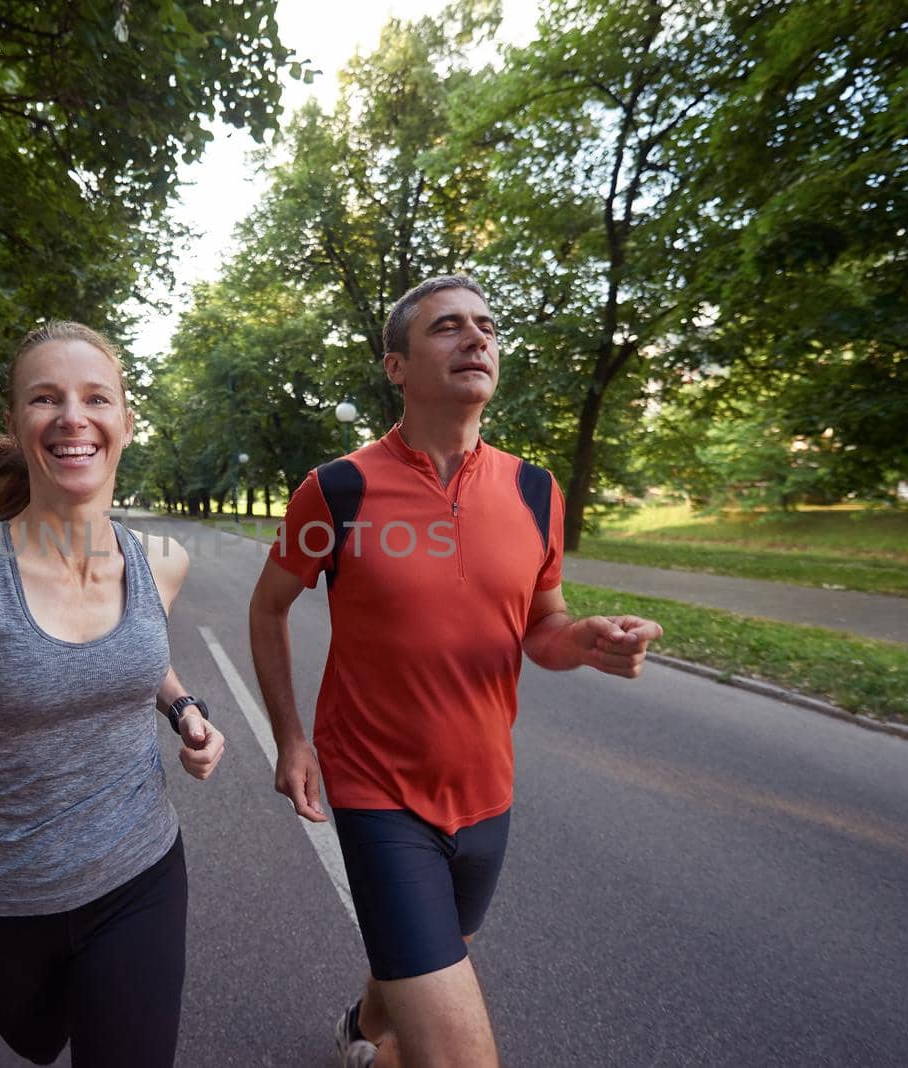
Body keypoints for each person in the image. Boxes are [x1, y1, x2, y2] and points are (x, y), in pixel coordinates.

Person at [247, 275, 663, 1068]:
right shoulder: (336, 490)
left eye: (487, 326)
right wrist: (292, 740)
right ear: (396, 366)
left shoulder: (537, 491)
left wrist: (591, 641)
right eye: (447, 328)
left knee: (418, 962)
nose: (476, 339)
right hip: (378, 793)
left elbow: (542, 627)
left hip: (486, 797)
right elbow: (268, 609)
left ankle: (361, 1032)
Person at [0, 320, 225, 1068]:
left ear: (125, 420)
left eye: (96, 398)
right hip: (6, 902)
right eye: (45, 399)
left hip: (142, 870)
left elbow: (139, 655)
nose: (72, 417)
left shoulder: (163, 562)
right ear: (15, 424)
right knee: (38, 1041)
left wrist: (183, 708)